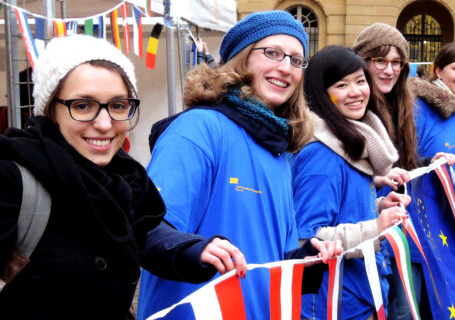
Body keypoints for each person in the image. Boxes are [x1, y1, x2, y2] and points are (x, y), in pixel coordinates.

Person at [0, 35, 247, 319]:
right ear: (51, 109)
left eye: (118, 105)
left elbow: (142, 232)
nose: (104, 123)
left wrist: (194, 249)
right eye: (83, 106)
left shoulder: (122, 175)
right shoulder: (10, 178)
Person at [139, 11, 342, 318]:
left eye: (297, 60)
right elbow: (148, 231)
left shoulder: (279, 151)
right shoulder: (198, 128)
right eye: (272, 53)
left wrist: (309, 258)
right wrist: (198, 251)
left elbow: (274, 259)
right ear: (241, 58)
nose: (285, 67)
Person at [293, 45, 410, 320]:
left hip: (359, 294)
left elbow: (340, 209)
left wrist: (378, 206)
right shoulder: (321, 154)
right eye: (341, 85)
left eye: (360, 81)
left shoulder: (350, 139)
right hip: (334, 304)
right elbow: (307, 236)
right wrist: (375, 227)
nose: (356, 92)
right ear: (321, 94)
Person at [403, 42, 455, 319]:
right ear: (438, 71)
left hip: (450, 223)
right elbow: (404, 161)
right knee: (423, 307)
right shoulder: (420, 108)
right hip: (421, 225)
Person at [350, 23, 420, 320]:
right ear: (362, 62)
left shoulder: (403, 107)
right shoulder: (352, 108)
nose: (389, 70)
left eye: (396, 62)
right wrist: (375, 179)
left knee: (404, 312)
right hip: (360, 231)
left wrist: (429, 161)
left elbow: (403, 164)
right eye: (380, 60)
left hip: (396, 228)